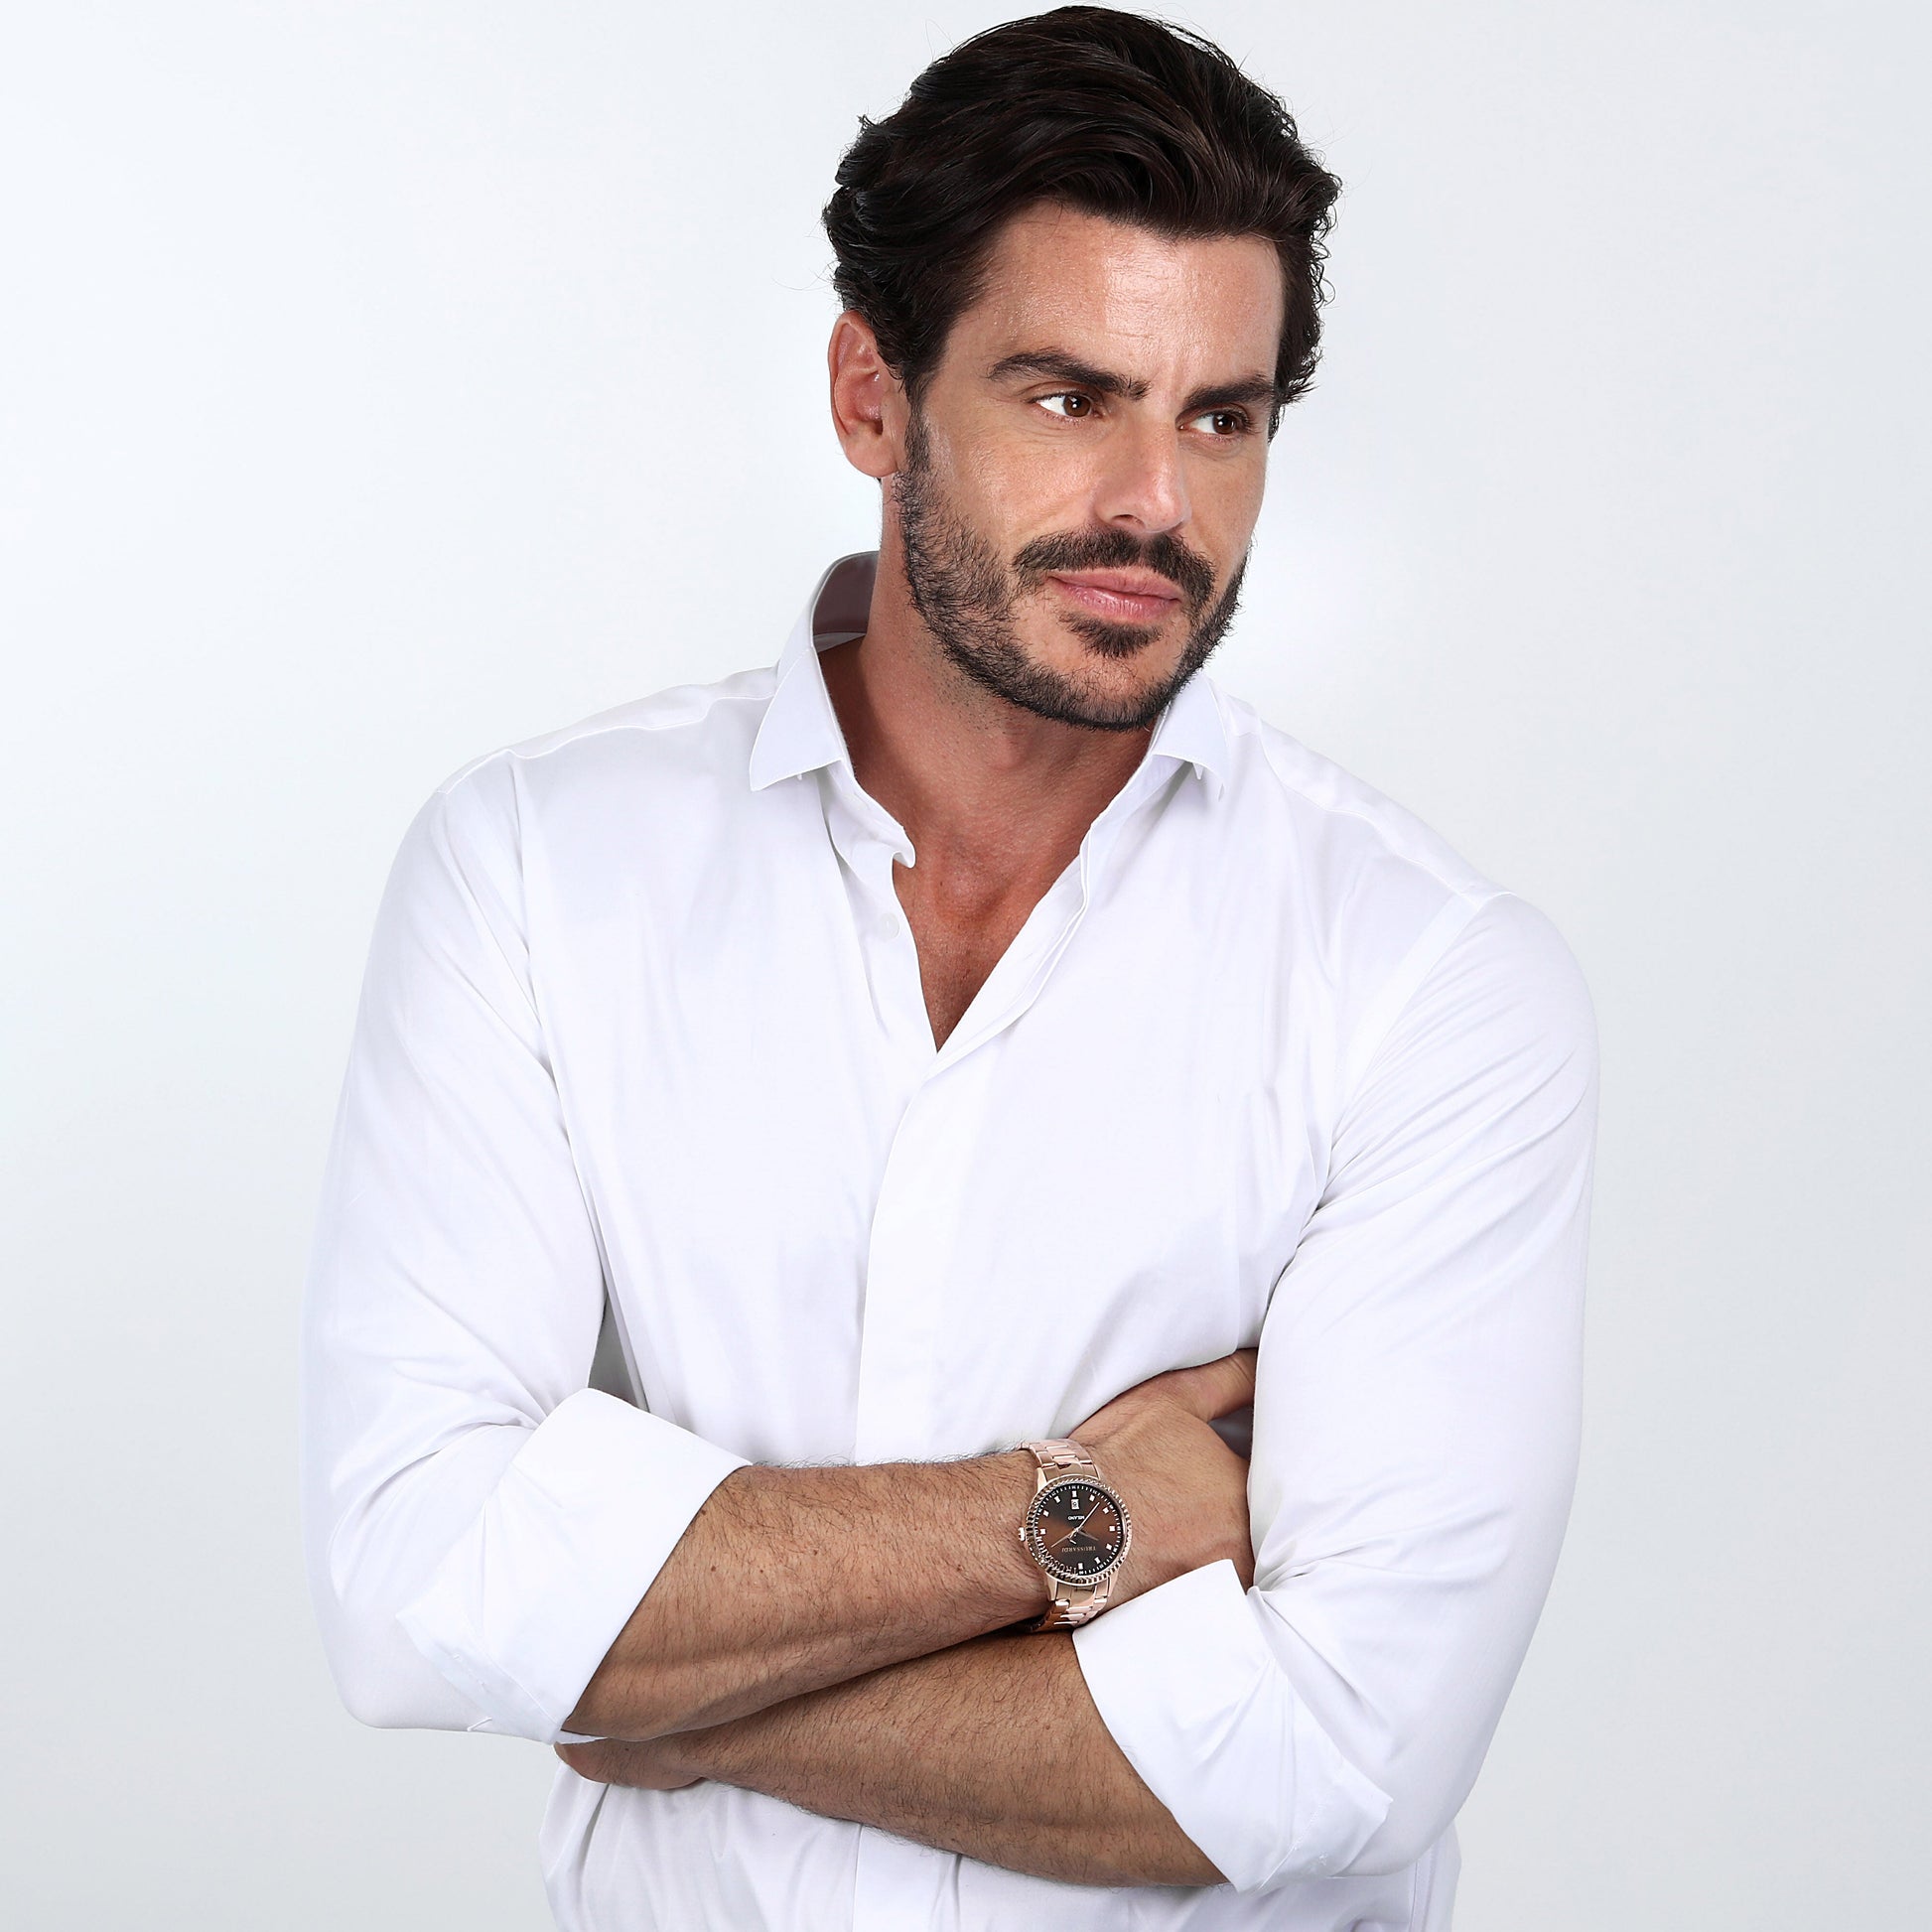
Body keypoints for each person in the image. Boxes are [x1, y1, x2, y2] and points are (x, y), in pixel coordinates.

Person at [299, 9, 1597, 1929]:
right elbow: (417, 1578)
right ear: (871, 397)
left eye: (1221, 416)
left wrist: (661, 1693)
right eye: (1069, 397)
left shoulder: (1430, 982)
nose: (1156, 502)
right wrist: (1078, 1512)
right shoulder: (534, 869)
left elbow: (1337, 1752)